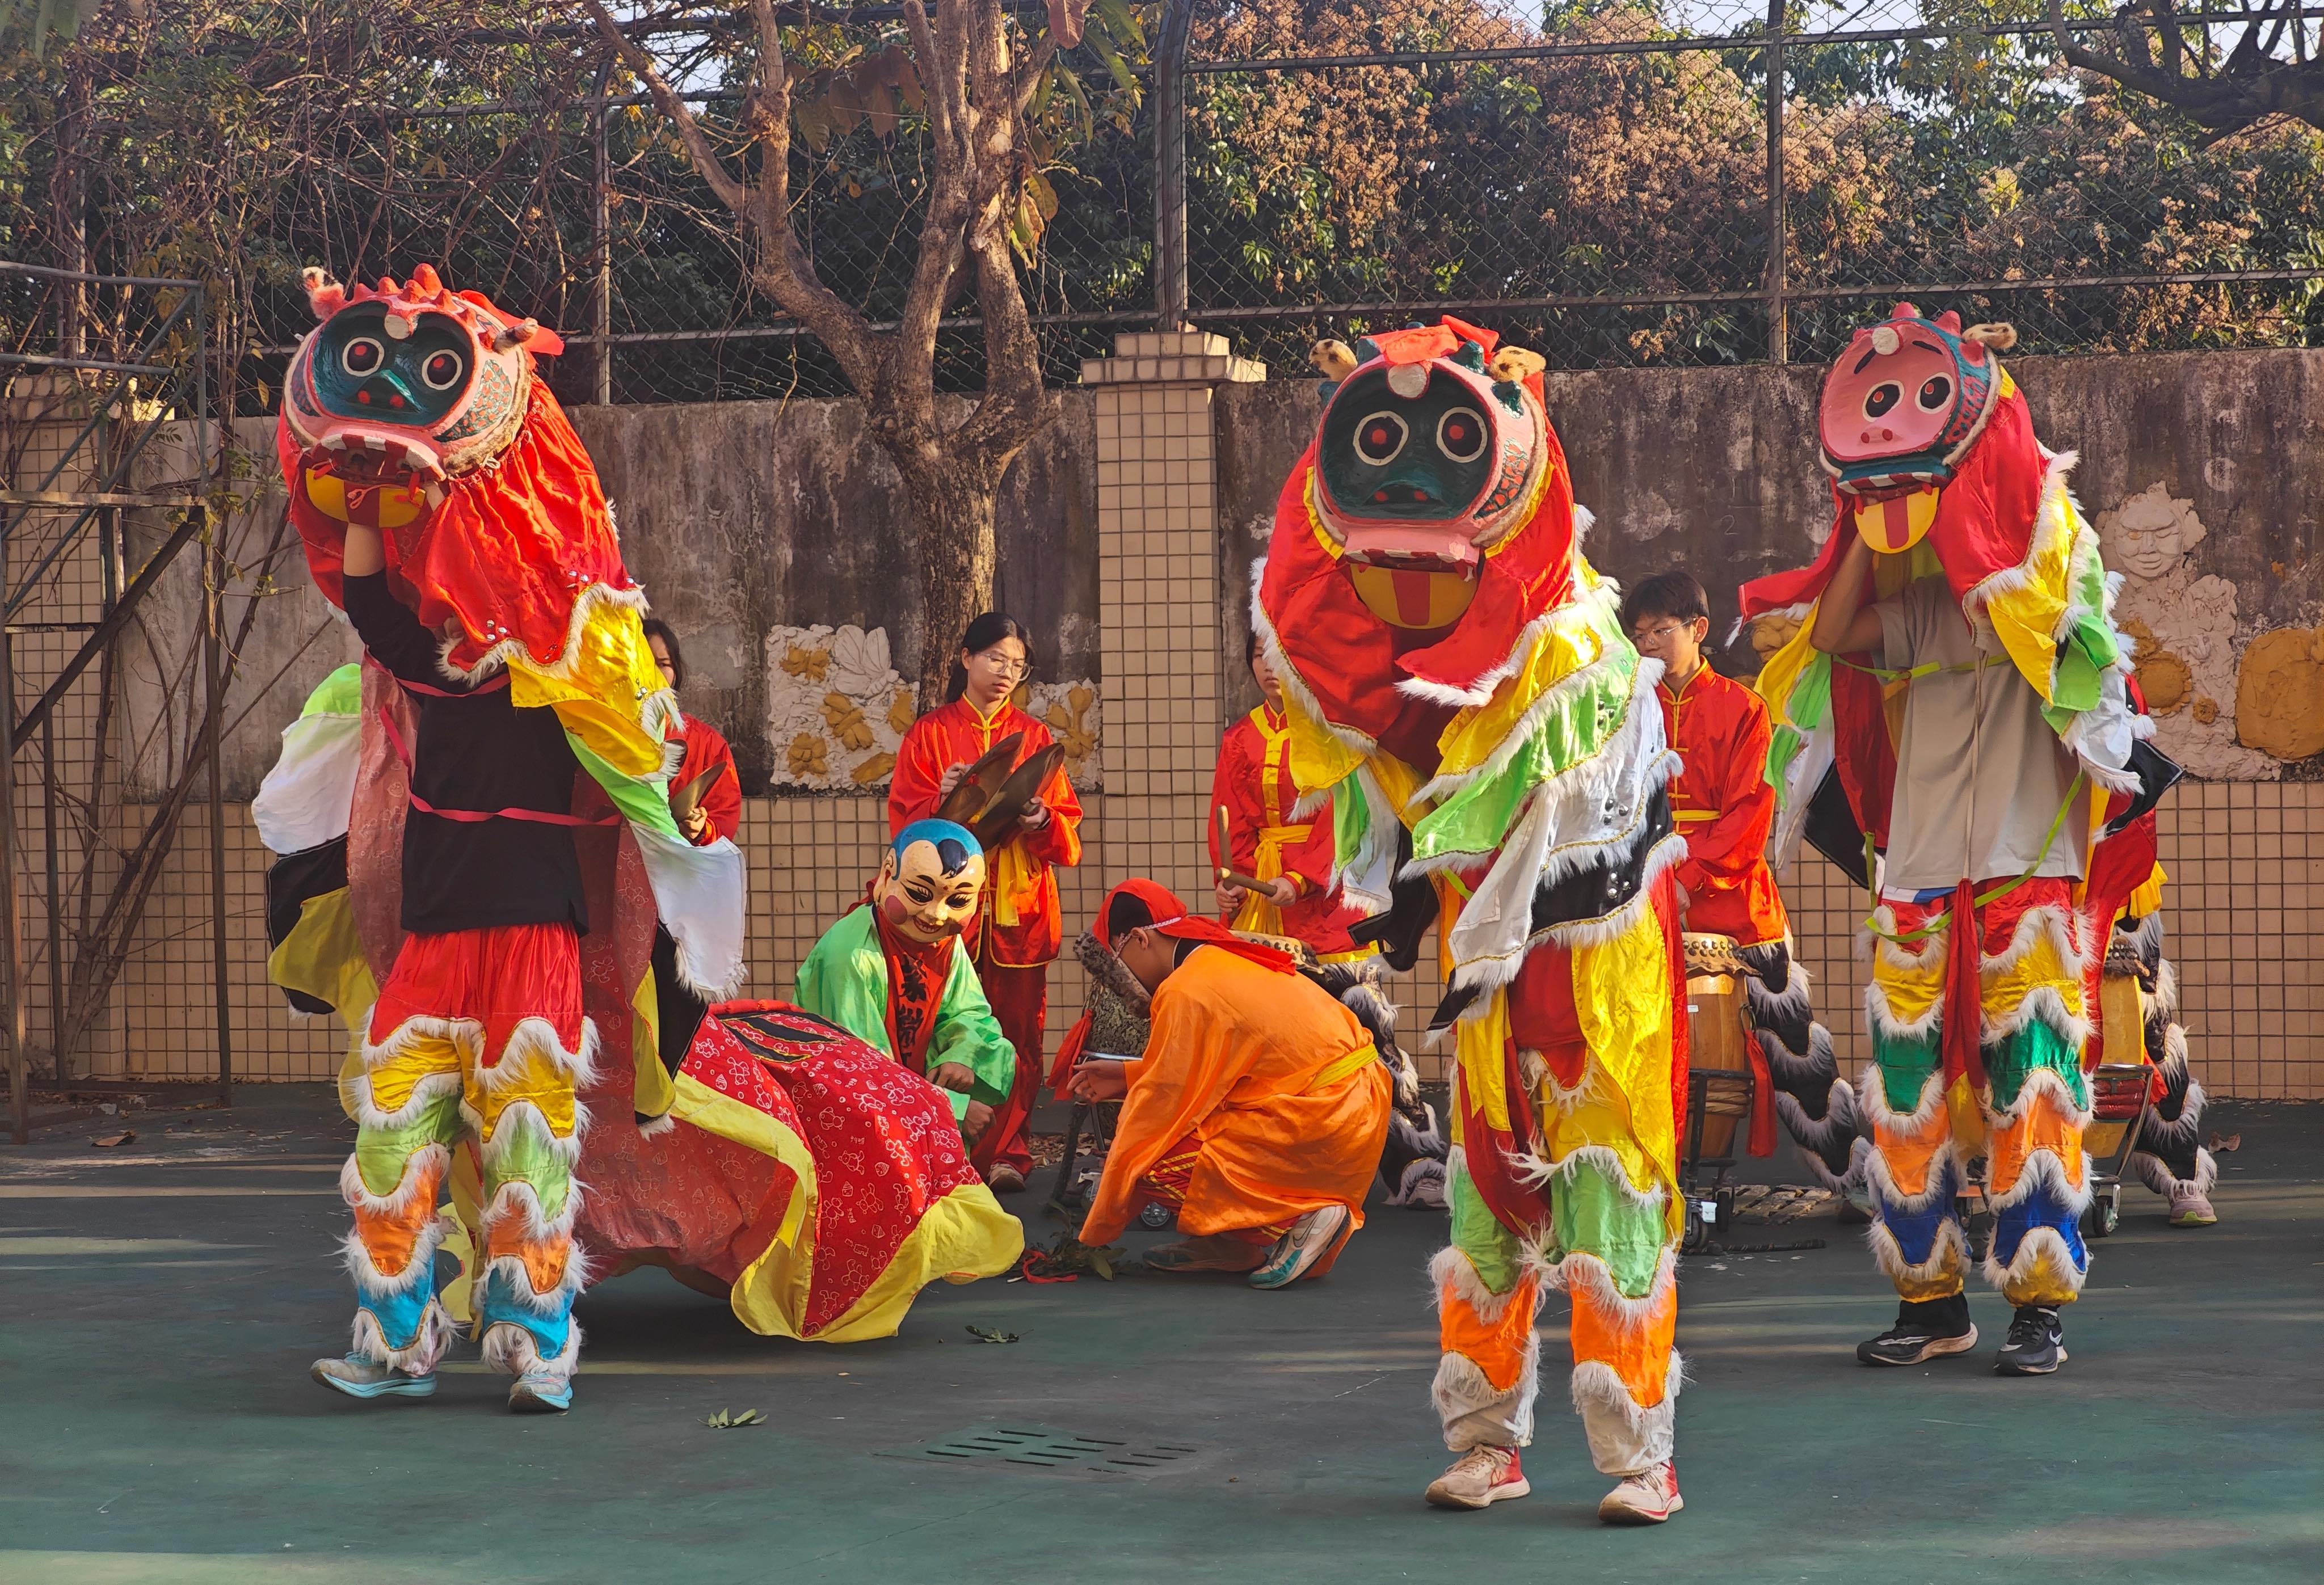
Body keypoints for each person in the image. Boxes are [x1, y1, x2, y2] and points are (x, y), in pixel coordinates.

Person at [268, 267, 746, 1417]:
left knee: (532, 1140)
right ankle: (394, 1341)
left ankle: (539, 1348)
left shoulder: (577, 675)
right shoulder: (429, 670)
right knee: (395, 1139)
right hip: (434, 931)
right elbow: (375, 608)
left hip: (536, 934)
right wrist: (372, 505)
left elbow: (644, 763)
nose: (477, 575)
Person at [1255, 319, 1688, 1524]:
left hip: (1596, 983)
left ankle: (1637, 1454)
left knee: (1607, 1200)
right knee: (1482, 1205)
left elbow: (1586, 819)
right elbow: (1368, 746)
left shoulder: (1583, 652)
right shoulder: (1406, 679)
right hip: (1487, 988)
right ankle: (1485, 1439)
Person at [1751, 306, 2173, 1378]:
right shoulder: (1928, 613)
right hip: (1918, 876)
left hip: (2031, 879)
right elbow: (1838, 629)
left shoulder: (2062, 611)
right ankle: (1928, 1298)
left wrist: (1994, 440)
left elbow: (2106, 706)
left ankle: (2037, 1302)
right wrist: (1857, 516)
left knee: (2033, 1084)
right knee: (1903, 1092)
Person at [1622, 570, 1859, 1192]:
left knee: (1794, 1045)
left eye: (1659, 630)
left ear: (1698, 630)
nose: (1645, 643)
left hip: (1734, 901)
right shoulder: (1620, 712)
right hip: (1646, 900)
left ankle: (1847, 1170)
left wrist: (1686, 872)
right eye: (1637, 633)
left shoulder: (1744, 708)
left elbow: (1751, 813)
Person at [1065, 880, 1390, 1287]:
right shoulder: (1213, 960)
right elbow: (1209, 1072)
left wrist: (1100, 1221)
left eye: (1118, 956)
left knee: (1146, 1153)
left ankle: (1303, 1217)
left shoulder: (1185, 990)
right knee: (1168, 1129)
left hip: (1325, 1117)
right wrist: (1130, 1076)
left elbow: (1165, 1102)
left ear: (1139, 939)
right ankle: (1230, 1240)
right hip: (1348, 1106)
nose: (1123, 972)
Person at [889, 613, 1084, 1193]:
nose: (1005, 672)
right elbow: (904, 823)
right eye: (995, 658)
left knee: (1018, 1031)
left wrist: (1043, 817)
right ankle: (943, 1145)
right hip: (947, 910)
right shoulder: (928, 734)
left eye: (1016, 664)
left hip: (1019, 906)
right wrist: (941, 795)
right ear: (965, 658)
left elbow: (1067, 835)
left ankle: (1007, 1152)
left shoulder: (1037, 737)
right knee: (937, 1026)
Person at [793, 820, 1018, 1148]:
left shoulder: (945, 944)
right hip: (854, 1131)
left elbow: (971, 1015)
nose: (936, 914)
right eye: (919, 894)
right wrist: (950, 1110)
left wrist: (963, 1055)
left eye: (957, 901)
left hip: (914, 1115)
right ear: (887, 875)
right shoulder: (850, 956)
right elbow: (857, 1069)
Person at [1208, 633, 1375, 960]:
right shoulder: (1238, 738)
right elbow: (1229, 821)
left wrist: (1299, 879)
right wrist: (1235, 882)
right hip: (1260, 890)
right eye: (1260, 656)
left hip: (1326, 894)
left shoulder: (1335, 734)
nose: (1270, 667)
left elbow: (1347, 817)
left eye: (1280, 656)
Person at [643, 618, 741, 846]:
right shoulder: (599, 736)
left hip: (679, 870)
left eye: (662, 664)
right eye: (641, 663)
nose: (651, 673)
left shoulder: (707, 743)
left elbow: (723, 818)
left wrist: (700, 828)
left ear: (676, 671)